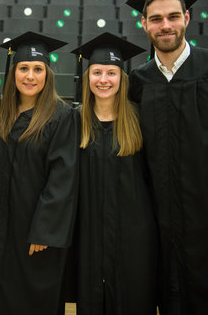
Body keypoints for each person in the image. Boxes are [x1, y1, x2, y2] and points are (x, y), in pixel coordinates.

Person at [127, 0, 208, 314]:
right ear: (144, 24)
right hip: (160, 220)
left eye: (173, 16)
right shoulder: (138, 82)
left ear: (187, 18)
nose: (165, 25)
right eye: (156, 19)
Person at [0, 31, 79, 315]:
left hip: (34, 232)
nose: (30, 76)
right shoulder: (0, 113)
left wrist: (44, 231)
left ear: (48, 74)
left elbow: (62, 178)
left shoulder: (61, 116)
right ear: (13, 72)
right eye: (23, 68)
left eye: (37, 69)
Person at [71, 32, 158, 315]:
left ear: (122, 77)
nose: (104, 79)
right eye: (96, 72)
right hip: (89, 231)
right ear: (87, 77)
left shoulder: (140, 118)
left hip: (133, 233)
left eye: (111, 72)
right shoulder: (73, 121)